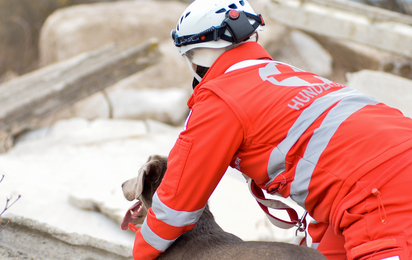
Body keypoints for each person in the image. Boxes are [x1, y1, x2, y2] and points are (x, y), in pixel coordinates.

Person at [129, 0, 412, 259]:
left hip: (381, 195)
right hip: (378, 179)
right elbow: (335, 167)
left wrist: (141, 253)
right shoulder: (288, 75)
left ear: (195, 55)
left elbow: (177, 202)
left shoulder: (220, 99)